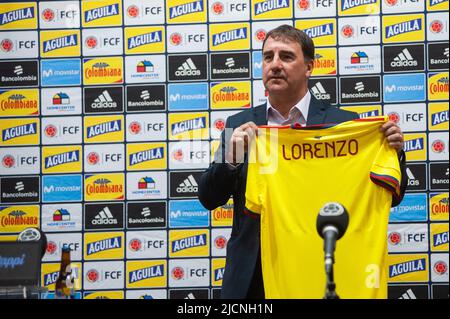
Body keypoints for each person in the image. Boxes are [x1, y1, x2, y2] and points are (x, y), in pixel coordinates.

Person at [198, 25, 407, 299]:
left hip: (319, 265)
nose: (274, 65)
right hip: (254, 275)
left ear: (309, 67)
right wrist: (232, 159)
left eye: (286, 57)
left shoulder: (344, 124)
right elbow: (208, 197)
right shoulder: (239, 125)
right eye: (267, 57)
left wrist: (395, 152)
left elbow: (391, 197)